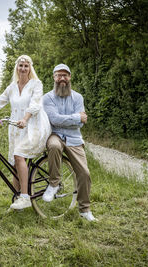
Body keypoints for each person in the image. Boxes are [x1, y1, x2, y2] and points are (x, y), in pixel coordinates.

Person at [0, 55, 51, 210]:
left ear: (30, 68)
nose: (23, 68)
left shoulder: (36, 84)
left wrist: (25, 118)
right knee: (15, 164)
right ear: (17, 68)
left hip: (33, 126)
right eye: (20, 65)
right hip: (15, 127)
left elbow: (35, 104)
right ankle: (17, 199)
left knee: (19, 155)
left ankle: (26, 197)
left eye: (26, 66)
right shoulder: (12, 87)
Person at [42, 63, 97, 222]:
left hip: (74, 138)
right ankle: (54, 184)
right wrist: (76, 117)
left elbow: (81, 124)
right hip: (55, 135)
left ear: (70, 77)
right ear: (54, 77)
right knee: (53, 146)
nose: (62, 78)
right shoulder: (48, 98)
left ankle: (84, 210)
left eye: (65, 75)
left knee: (84, 173)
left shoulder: (78, 97)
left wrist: (75, 120)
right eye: (58, 75)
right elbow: (54, 119)